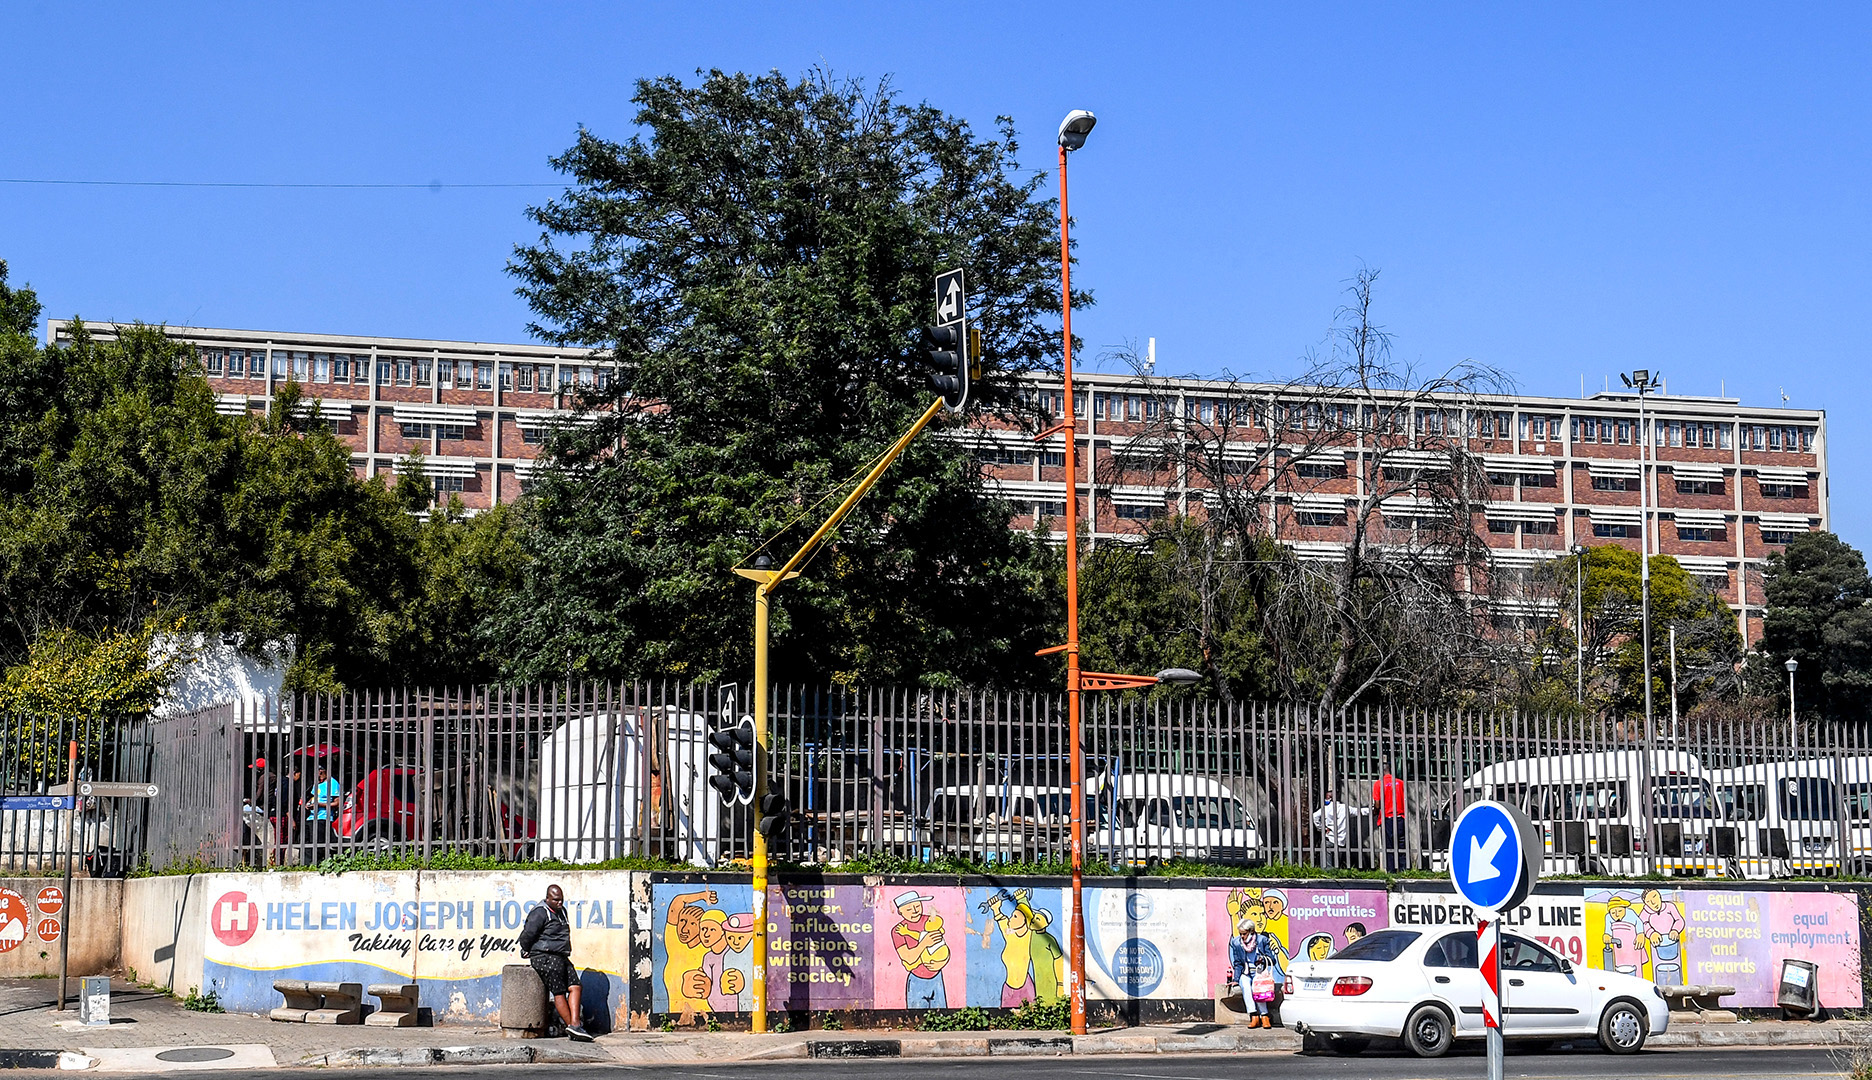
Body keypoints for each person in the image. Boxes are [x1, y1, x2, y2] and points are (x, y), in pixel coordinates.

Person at [519, 884, 592, 1041]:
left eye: (561, 900)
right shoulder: (540, 912)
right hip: (545, 956)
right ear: (547, 899)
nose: (560, 903)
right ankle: (573, 1027)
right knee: (559, 992)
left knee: (576, 986)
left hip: (561, 956)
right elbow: (528, 934)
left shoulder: (562, 912)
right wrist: (525, 948)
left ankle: (575, 1025)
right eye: (556, 900)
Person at [890, 891, 950, 1008]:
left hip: (937, 977)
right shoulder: (898, 931)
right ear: (900, 911)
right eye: (909, 909)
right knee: (916, 1016)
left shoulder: (930, 922)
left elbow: (941, 947)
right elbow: (908, 958)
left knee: (942, 1014)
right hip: (917, 980)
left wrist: (942, 962)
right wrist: (924, 943)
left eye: (917, 906)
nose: (915, 911)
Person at [1373, 760, 1408, 871]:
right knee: (1401, 845)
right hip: (1400, 818)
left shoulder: (1379, 784)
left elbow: (1377, 803)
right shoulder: (1400, 783)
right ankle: (1403, 870)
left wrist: (1375, 811)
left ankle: (1391, 871)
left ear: (1380, 771)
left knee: (1389, 846)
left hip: (1387, 818)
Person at [1311, 793, 1353, 867]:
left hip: (1329, 838)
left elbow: (1315, 816)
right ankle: (1336, 872)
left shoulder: (1326, 808)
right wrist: (1374, 809)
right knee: (1337, 861)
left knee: (1326, 863)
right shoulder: (1345, 808)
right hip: (1341, 840)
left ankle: (1327, 873)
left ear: (1330, 798)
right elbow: (1360, 811)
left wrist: (1321, 828)